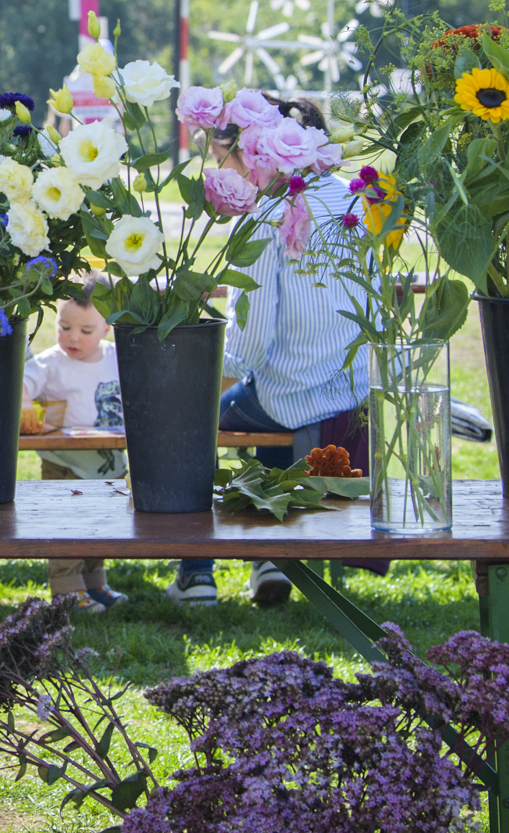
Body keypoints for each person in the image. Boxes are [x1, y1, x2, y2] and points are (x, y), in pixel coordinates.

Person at [169, 95, 371, 609]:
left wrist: (204, 372)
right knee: (263, 396)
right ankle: (270, 558)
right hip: (352, 391)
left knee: (193, 427)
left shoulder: (265, 219)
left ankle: (196, 572)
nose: (225, 176)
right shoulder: (350, 199)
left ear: (255, 156)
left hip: (294, 392)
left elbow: (250, 346)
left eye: (226, 164)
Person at [23, 275, 128, 612]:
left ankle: (95, 583)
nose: (72, 338)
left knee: (101, 527)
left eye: (85, 331)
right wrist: (30, 407)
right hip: (65, 463)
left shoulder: (116, 357)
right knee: (66, 525)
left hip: (108, 462)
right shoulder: (51, 362)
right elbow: (21, 386)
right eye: (64, 326)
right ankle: (68, 589)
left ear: (107, 328)